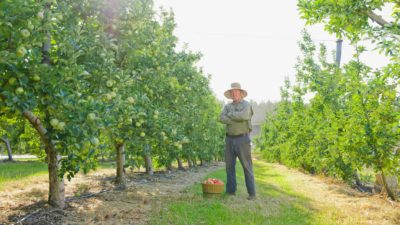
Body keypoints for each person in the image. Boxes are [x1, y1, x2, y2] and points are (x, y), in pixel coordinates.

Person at [220, 82, 256, 200]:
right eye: (232, 92)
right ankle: (231, 191)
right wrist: (235, 118)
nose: (234, 93)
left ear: (241, 94)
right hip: (229, 139)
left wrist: (230, 116)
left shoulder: (246, 105)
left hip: (243, 139)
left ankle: (252, 193)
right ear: (230, 94)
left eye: (236, 92)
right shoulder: (227, 106)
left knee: (247, 166)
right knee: (229, 166)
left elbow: (244, 116)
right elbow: (221, 117)